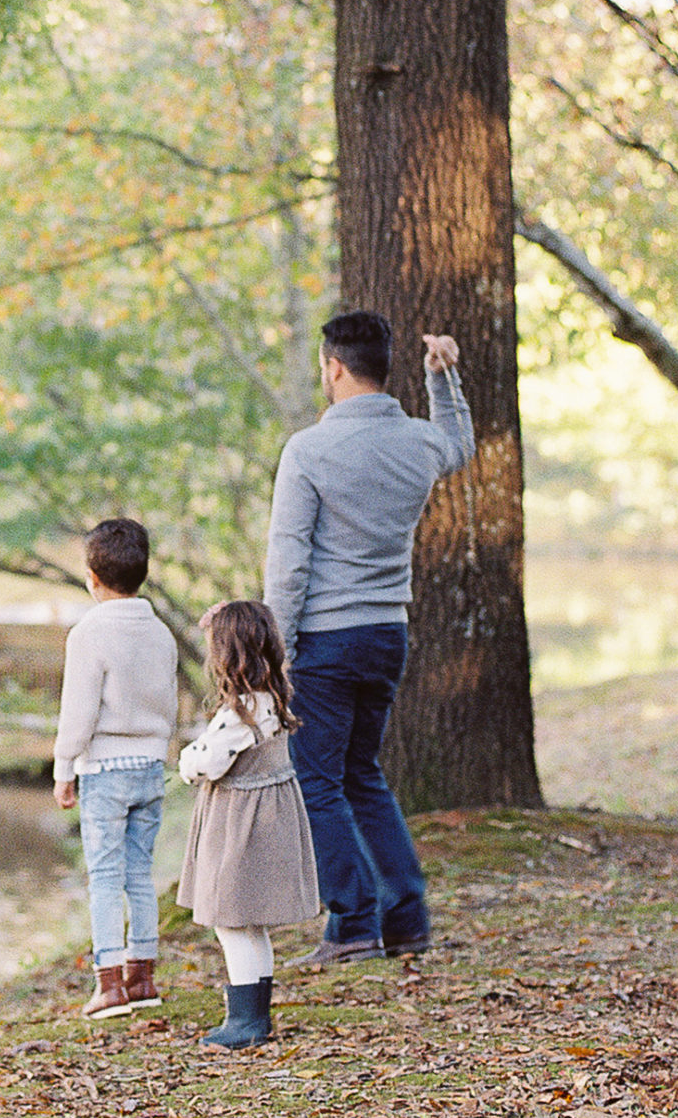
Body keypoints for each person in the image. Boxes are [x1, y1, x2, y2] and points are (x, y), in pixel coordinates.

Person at [264, 311, 474, 965]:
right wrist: (444, 376)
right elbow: (458, 442)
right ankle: (405, 918)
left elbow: (288, 559)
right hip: (387, 632)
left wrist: (274, 648)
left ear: (332, 367)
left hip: (324, 641)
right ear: (384, 368)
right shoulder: (417, 442)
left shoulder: (307, 450)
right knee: (360, 774)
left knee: (317, 781)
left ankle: (352, 921)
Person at [176, 598, 319, 1052]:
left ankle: (246, 1020)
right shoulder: (272, 698)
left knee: (233, 923)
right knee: (249, 925)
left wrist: (186, 761)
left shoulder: (240, 713)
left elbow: (209, 763)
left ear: (226, 657)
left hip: (239, 826)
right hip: (259, 820)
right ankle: (254, 1013)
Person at [52, 516, 180, 1020]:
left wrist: (65, 766)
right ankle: (142, 974)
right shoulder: (161, 632)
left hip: (104, 769)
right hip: (149, 766)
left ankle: (108, 985)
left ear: (92, 577)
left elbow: (78, 709)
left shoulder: (89, 632)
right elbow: (168, 703)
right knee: (139, 874)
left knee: (104, 876)